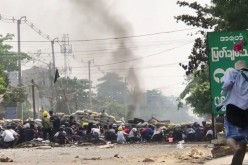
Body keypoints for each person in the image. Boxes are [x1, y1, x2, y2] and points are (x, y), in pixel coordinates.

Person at [217, 60, 248, 165]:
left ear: (236, 68)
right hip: (247, 110)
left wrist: (223, 91)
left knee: (231, 135)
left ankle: (235, 149)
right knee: (244, 138)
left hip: (234, 108)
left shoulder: (233, 73)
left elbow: (226, 84)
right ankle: (240, 154)